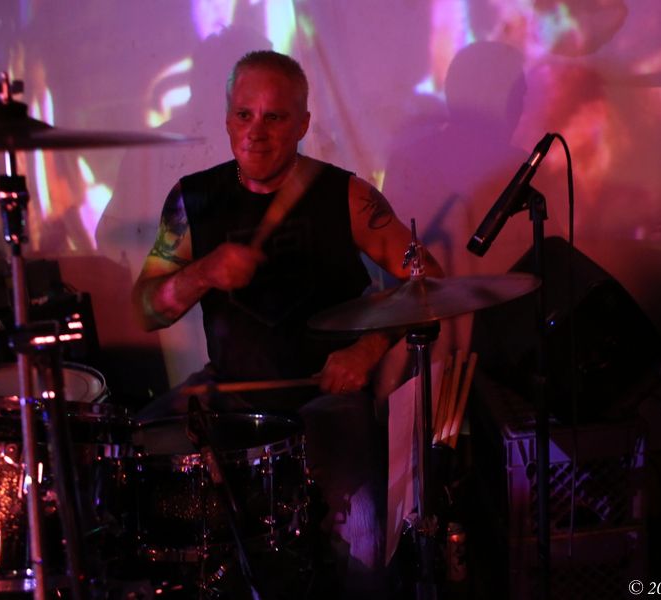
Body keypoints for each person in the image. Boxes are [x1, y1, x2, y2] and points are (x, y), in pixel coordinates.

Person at [131, 50, 442, 599]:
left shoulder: (347, 196)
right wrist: (201, 273)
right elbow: (146, 309)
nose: (256, 132)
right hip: (228, 392)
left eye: (274, 117)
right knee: (138, 458)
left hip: (326, 395)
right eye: (244, 115)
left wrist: (367, 351)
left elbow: (429, 282)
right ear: (228, 119)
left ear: (302, 123)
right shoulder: (192, 200)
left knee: (364, 541)